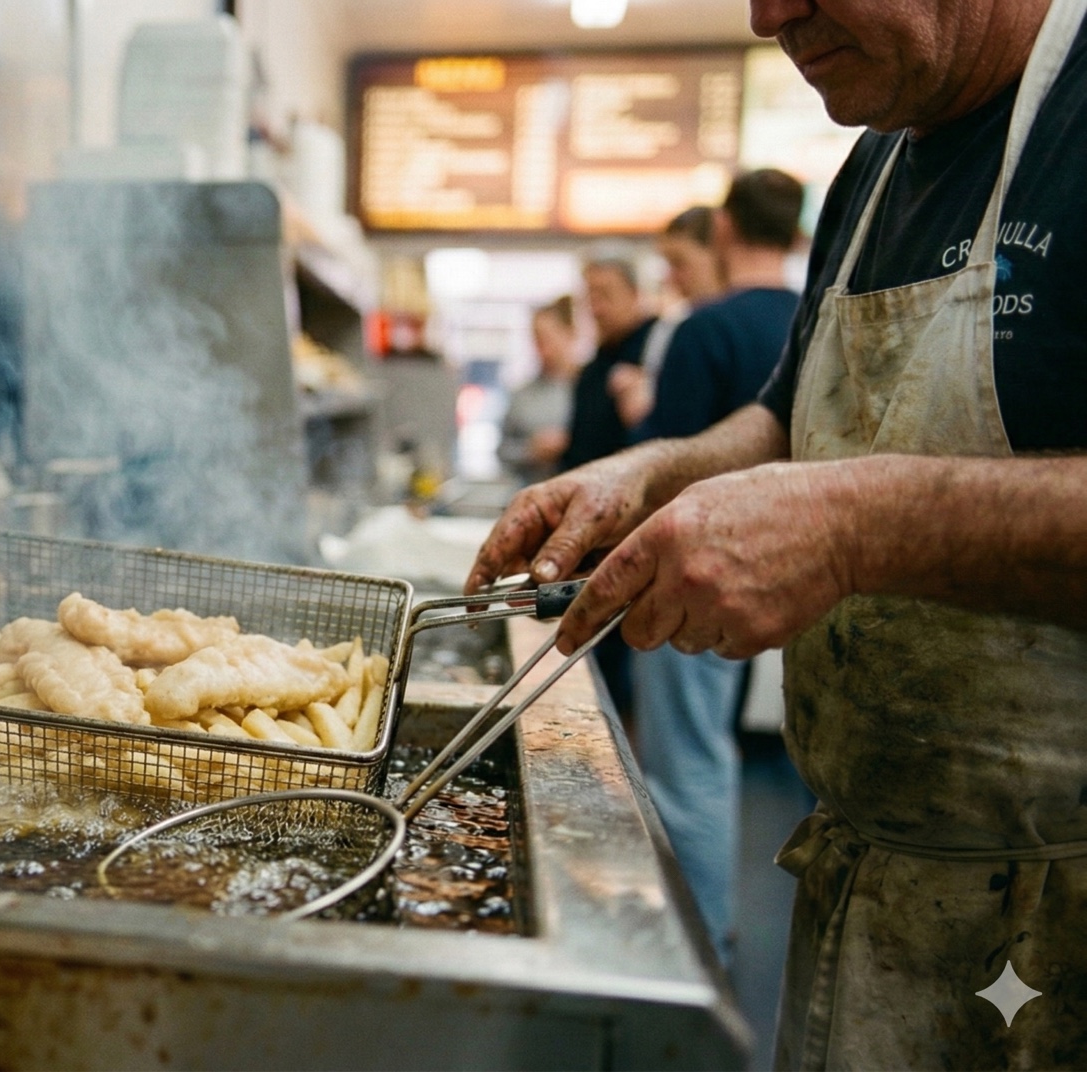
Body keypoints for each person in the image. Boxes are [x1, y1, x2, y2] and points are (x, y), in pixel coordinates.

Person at [466, 0, 1087, 1064]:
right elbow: (785, 416)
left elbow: (841, 494)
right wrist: (648, 475)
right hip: (877, 888)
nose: (766, 17)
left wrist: (854, 525)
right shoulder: (874, 167)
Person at [623, 169, 806, 968]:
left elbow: (663, 470)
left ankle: (697, 954)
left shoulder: (706, 329)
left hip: (698, 581)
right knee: (722, 751)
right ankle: (718, 926)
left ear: (723, 231)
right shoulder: (815, 322)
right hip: (811, 575)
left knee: (687, 761)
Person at [559, 254, 658, 718]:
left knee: (618, 655)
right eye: (588, 296)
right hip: (588, 533)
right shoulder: (596, 361)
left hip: (629, 533)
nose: (595, 307)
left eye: (605, 295)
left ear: (634, 294)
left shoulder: (655, 352)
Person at [610, 206, 728, 428]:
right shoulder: (670, 328)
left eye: (679, 263)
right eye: (668, 264)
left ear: (718, 253)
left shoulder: (734, 328)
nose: (671, 278)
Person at [498, 296, 579, 486]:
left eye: (548, 339)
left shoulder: (588, 390)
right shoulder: (522, 395)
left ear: (569, 334)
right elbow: (502, 451)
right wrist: (530, 451)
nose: (543, 349)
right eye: (537, 340)